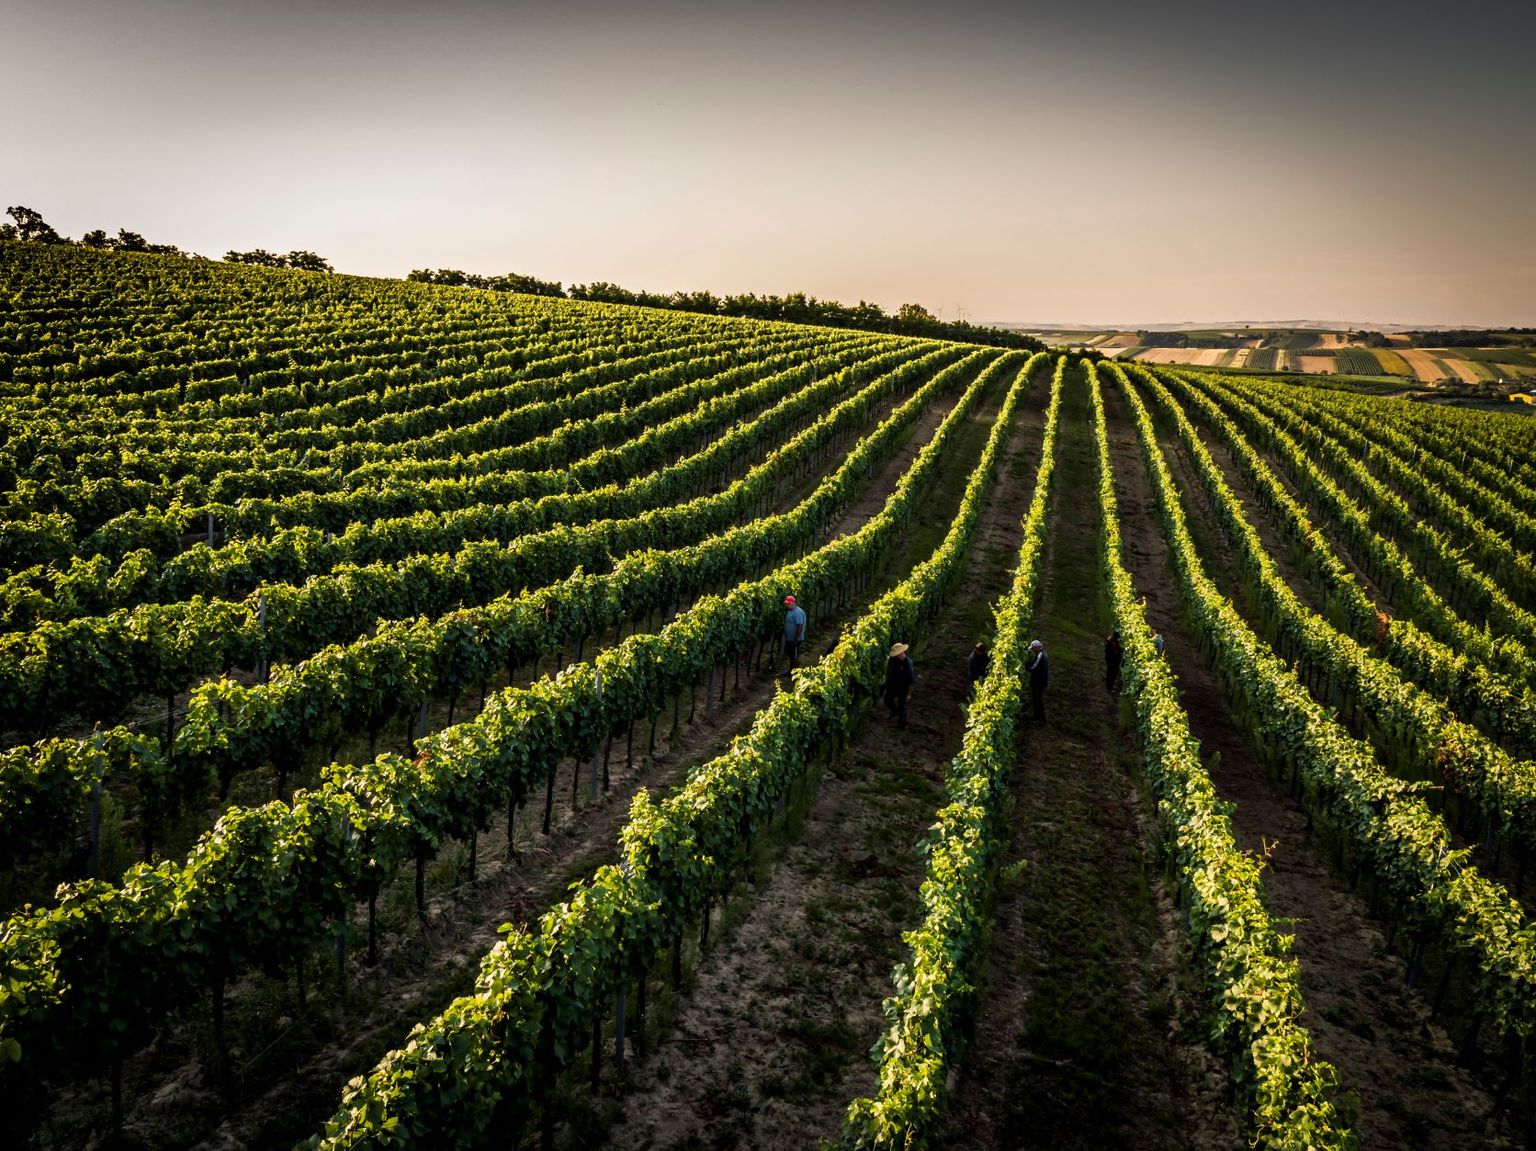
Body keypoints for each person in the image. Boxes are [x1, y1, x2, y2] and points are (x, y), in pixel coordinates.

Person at [883, 642, 916, 729]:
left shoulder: (908, 664)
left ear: (902, 653)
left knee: (902, 706)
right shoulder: (894, 660)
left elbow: (911, 681)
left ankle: (901, 725)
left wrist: (909, 694)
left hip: (904, 687)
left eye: (898, 654)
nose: (897, 656)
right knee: (887, 699)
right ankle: (895, 711)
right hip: (894, 685)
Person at [1026, 638, 1048, 722]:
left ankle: (1039, 718)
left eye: (1033, 649)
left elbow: (1034, 667)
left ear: (1037, 647)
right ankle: (1039, 717)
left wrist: (1026, 666)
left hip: (1039, 682)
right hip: (1041, 680)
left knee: (1037, 699)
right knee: (1038, 699)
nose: (1033, 651)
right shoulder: (1044, 653)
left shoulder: (1040, 656)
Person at [783, 595, 807, 669]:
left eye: (789, 603)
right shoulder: (791, 611)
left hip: (795, 639)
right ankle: (791, 671)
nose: (787, 605)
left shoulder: (797, 612)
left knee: (794, 656)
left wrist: (796, 639)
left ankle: (794, 673)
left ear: (794, 603)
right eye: (787, 603)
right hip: (790, 639)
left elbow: (800, 626)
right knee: (791, 655)